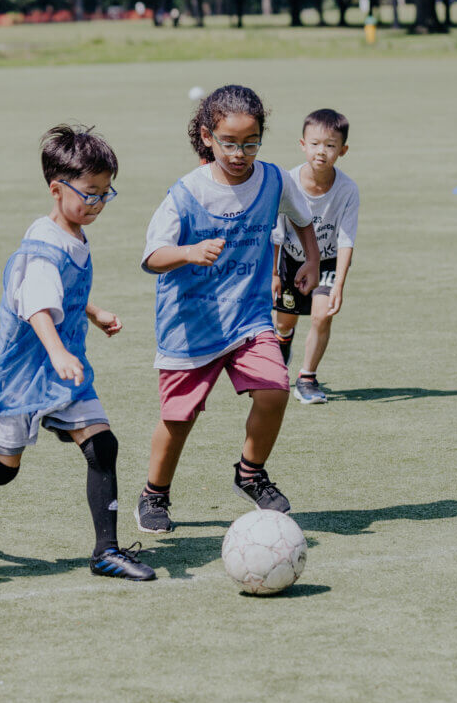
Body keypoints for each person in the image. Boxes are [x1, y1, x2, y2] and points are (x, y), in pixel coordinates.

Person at [0, 124, 156, 581]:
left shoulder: (69, 230)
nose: (97, 202)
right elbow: (36, 305)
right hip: (23, 373)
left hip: (61, 369)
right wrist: (56, 352)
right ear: (57, 190)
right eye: (89, 193)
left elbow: (59, 292)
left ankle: (106, 552)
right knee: (0, 472)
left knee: (102, 446)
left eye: (104, 192)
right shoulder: (43, 247)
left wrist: (91, 311)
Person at [134, 85, 320, 535]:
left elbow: (302, 219)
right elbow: (151, 256)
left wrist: (311, 259)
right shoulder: (184, 194)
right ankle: (154, 494)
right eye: (229, 143)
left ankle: (250, 473)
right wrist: (190, 252)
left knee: (275, 388)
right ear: (207, 137)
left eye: (250, 143)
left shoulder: (275, 180)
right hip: (190, 325)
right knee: (179, 418)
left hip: (248, 318)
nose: (240, 153)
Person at [272, 109, 360, 405]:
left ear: (343, 150)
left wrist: (339, 285)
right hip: (290, 260)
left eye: (331, 145)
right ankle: (283, 340)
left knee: (323, 316)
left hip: (327, 262)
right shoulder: (287, 181)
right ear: (302, 144)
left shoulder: (347, 190)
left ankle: (307, 377)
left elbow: (347, 240)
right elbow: (276, 232)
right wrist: (273, 273)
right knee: (284, 322)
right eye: (315, 143)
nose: (321, 151)